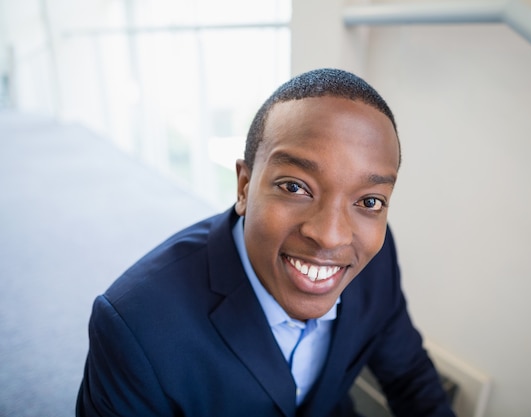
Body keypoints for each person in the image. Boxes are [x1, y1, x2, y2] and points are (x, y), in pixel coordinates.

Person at [76, 68, 455, 417]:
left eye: (369, 201)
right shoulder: (135, 325)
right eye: (295, 187)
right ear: (244, 186)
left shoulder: (377, 256)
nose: (330, 235)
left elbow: (409, 377)